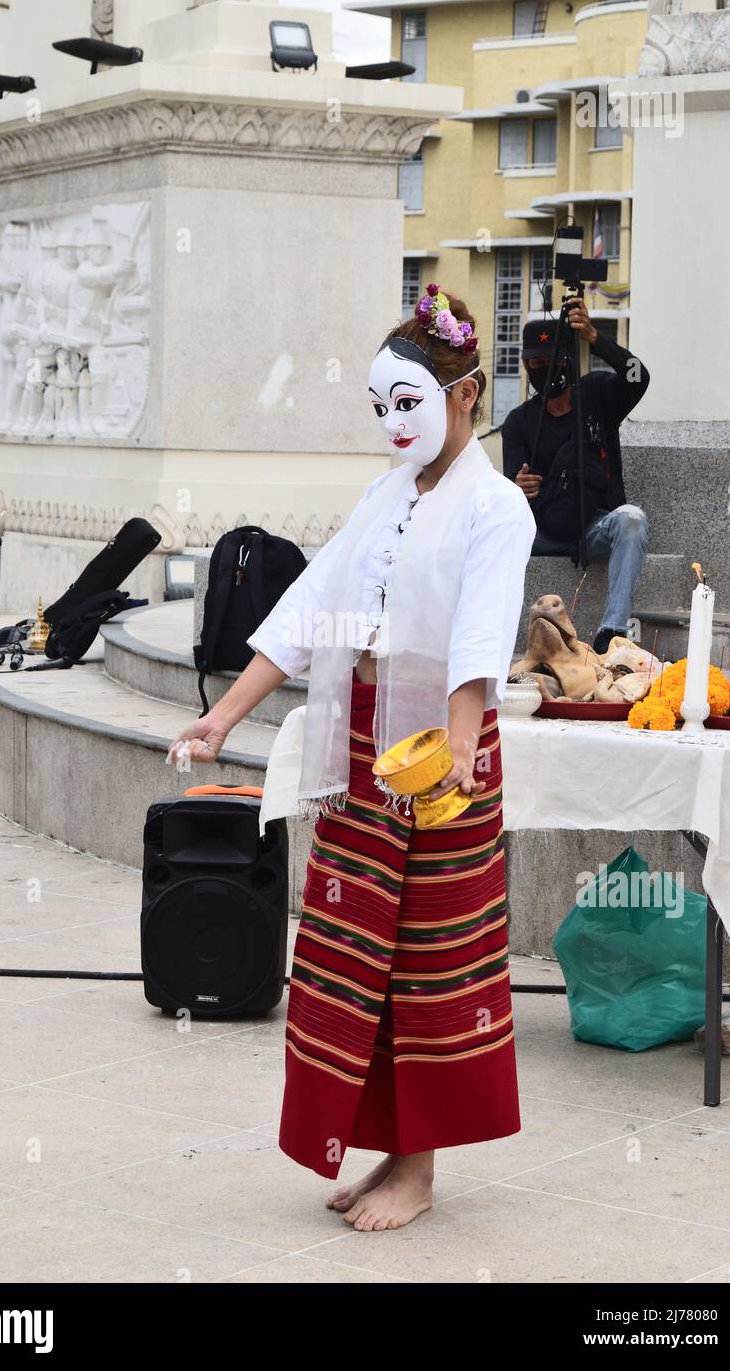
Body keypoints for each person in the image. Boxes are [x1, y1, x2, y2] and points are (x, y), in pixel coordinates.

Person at [169, 285, 535, 1231]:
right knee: (349, 954)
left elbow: (480, 635)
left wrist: (459, 743)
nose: (392, 423)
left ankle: (419, 1169)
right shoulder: (384, 497)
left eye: (407, 402)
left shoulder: (496, 509)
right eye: (381, 408)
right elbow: (308, 611)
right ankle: (380, 1148)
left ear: (466, 392)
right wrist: (225, 720)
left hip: (439, 754)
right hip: (365, 747)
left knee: (427, 960)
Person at [501, 299, 650, 654]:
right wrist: (517, 487)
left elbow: (637, 376)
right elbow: (509, 491)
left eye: (551, 362)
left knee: (633, 519)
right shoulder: (519, 422)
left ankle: (611, 632)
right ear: (525, 366)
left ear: (566, 361)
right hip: (543, 534)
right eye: (536, 364)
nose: (544, 370)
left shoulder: (597, 394)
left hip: (592, 527)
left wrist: (595, 339)